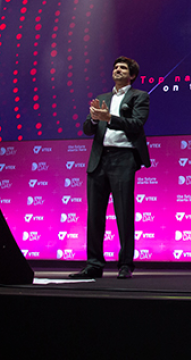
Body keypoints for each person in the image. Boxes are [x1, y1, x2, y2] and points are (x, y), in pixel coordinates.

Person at [69, 56, 151, 280]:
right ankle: (94, 264)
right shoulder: (102, 98)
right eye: (115, 67)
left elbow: (136, 124)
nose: (117, 70)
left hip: (124, 158)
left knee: (124, 212)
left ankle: (125, 264)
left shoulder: (139, 96)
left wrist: (110, 118)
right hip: (99, 159)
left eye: (123, 68)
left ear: (131, 75)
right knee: (94, 215)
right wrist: (95, 119)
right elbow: (87, 128)